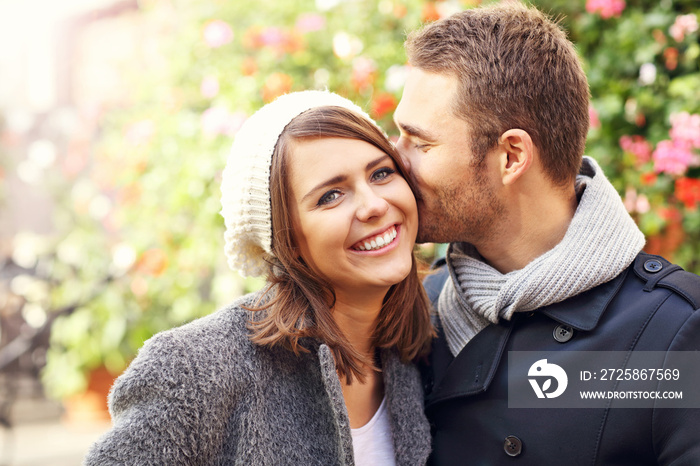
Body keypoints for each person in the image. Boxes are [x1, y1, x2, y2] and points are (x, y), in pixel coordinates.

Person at [393, 3, 700, 465]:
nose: (393, 160)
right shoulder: (415, 309)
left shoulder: (671, 334)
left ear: (512, 156)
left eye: (419, 143)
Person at [84, 90, 434, 465]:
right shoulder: (193, 370)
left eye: (381, 173)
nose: (375, 205)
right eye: (330, 195)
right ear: (286, 241)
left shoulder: (422, 348)